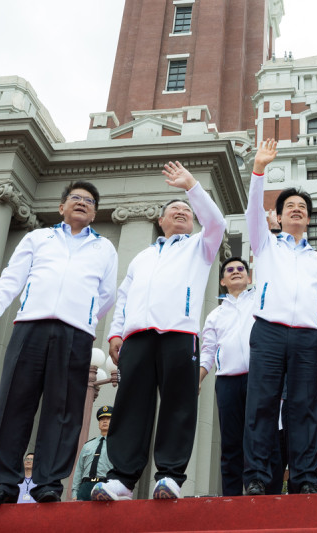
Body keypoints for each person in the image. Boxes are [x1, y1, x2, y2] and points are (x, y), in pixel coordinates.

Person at [0, 181, 118, 505]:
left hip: (75, 334)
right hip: (30, 326)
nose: (82, 203)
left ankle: (48, 482)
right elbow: (12, 277)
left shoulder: (104, 248)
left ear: (95, 212)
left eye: (89, 201)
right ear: (61, 207)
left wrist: (82, 318)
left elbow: (107, 293)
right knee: (13, 403)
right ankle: (1, 484)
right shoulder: (38, 238)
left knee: (64, 408)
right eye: (75, 198)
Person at [93, 161, 226, 501]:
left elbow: (217, 222)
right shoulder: (143, 257)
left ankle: (168, 476)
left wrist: (190, 187)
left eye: (187, 211)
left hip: (179, 335)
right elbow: (124, 297)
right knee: (130, 405)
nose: (182, 213)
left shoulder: (201, 246)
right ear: (161, 220)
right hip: (138, 339)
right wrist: (116, 334)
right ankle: (121, 479)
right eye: (175, 210)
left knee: (178, 406)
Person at [242, 139, 317, 496]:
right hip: (268, 331)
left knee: (305, 409)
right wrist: (259, 170)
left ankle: (306, 480)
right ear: (278, 216)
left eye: (302, 207)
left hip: (307, 337)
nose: (296, 210)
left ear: (309, 219)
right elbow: (253, 211)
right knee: (262, 406)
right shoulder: (264, 243)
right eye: (289, 207)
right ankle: (257, 478)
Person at [199, 257, 259, 496]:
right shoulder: (215, 315)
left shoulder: (260, 302)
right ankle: (232, 494)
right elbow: (208, 352)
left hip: (258, 378)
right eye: (230, 270)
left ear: (249, 277)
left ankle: (257, 483)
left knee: (258, 435)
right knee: (231, 440)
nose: (236, 272)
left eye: (241, 269)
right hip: (227, 381)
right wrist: (199, 377)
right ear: (222, 281)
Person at [73, 406, 113, 501]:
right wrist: (75, 492)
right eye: (102, 419)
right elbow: (79, 469)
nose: (104, 421)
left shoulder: (116, 445)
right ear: (99, 423)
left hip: (105, 485)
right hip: (85, 486)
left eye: (108, 419)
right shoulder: (88, 445)